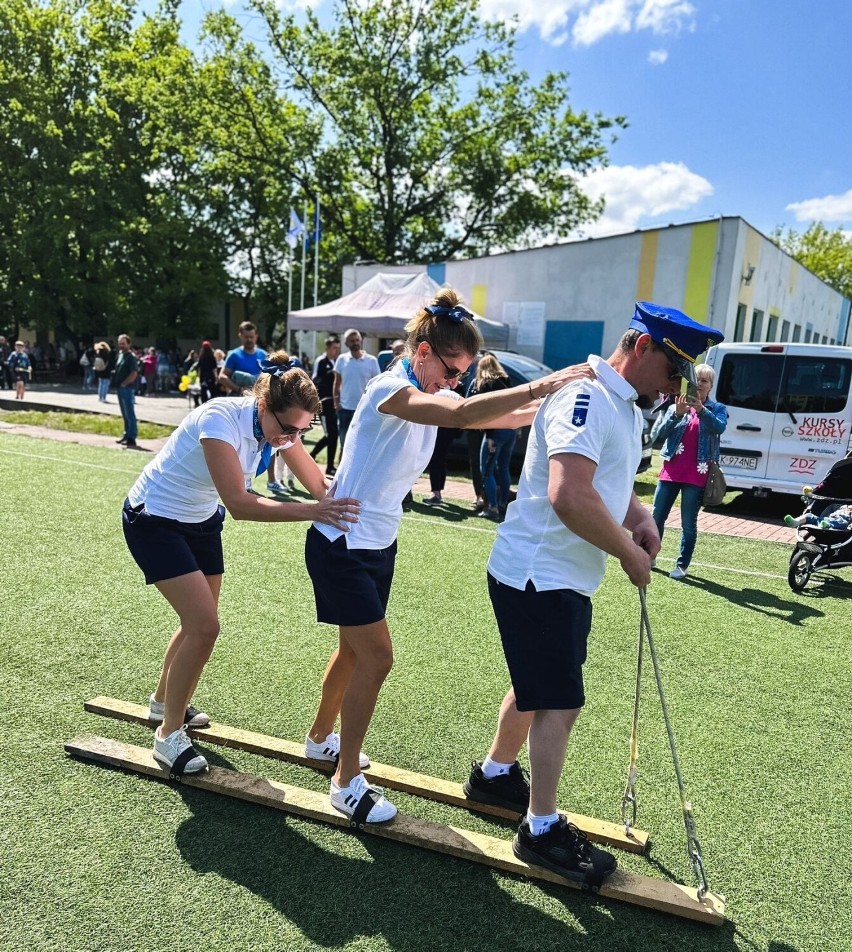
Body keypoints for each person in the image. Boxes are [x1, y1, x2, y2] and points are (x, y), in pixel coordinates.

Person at [303, 289, 593, 824]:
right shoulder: (391, 389)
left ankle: (320, 739)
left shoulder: (426, 390)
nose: (454, 380)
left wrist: (558, 404)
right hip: (341, 543)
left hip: (375, 544)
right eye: (450, 368)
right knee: (376, 658)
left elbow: (494, 418)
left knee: (351, 653)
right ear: (422, 352)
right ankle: (345, 781)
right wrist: (546, 382)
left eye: (461, 373)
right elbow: (461, 410)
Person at [465, 302, 724, 887]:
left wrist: (638, 516)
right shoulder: (586, 399)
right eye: (673, 367)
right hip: (538, 574)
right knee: (561, 700)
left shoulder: (622, 406)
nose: (676, 384)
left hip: (560, 574)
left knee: (538, 687)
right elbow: (568, 495)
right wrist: (629, 552)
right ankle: (540, 830)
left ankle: (496, 775)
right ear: (640, 347)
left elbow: (605, 483)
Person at [122, 352, 360, 775]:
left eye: (301, 433)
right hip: (154, 518)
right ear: (265, 405)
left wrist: (358, 499)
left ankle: (162, 704)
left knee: (199, 621)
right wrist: (312, 511)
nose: (290, 440)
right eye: (287, 430)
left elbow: (321, 485)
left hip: (200, 520)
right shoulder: (219, 420)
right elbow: (239, 504)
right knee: (205, 626)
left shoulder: (282, 429)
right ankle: (168, 736)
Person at [650, 363, 728, 579]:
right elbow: (658, 434)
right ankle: (650, 555)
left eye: (704, 381)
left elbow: (719, 427)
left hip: (697, 474)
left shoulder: (717, 409)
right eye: (695, 381)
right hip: (671, 470)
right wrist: (676, 413)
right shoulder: (675, 405)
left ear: (711, 386)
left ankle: (682, 565)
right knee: (656, 517)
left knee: (688, 523)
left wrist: (701, 410)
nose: (699, 385)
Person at [474, 354, 516, 521]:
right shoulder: (506, 381)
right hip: (510, 430)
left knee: (487, 471)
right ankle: (503, 503)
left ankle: (492, 507)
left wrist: (489, 436)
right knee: (504, 468)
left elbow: (488, 413)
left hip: (495, 431)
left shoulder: (486, 384)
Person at [333, 328, 380, 448]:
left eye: (357, 340)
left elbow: (377, 385)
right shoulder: (341, 360)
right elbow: (336, 383)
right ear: (346, 344)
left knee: (362, 445)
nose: (355, 343)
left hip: (364, 410)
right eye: (352, 341)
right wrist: (337, 404)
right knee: (344, 445)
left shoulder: (372, 361)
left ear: (361, 341)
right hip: (345, 409)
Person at [310, 336, 341, 476]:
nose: (336, 351)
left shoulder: (338, 362)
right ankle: (313, 455)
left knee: (333, 435)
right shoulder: (321, 361)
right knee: (330, 435)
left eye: (338, 348)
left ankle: (329, 466)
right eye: (334, 348)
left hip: (334, 404)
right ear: (327, 348)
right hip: (325, 403)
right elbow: (316, 379)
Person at [218, 322, 268, 396]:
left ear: (256, 336)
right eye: (246, 337)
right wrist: (239, 389)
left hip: (258, 397)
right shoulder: (234, 355)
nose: (249, 340)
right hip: (238, 399)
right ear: (240, 336)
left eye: (251, 337)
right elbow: (222, 377)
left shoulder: (263, 355)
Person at [114, 334, 140, 448]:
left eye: (123, 343)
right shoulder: (121, 355)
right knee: (124, 413)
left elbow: (134, 373)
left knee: (129, 412)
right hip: (120, 388)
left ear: (129, 344)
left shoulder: (131, 357)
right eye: (120, 343)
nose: (121, 346)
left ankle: (131, 437)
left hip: (127, 388)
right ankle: (126, 434)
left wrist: (125, 383)